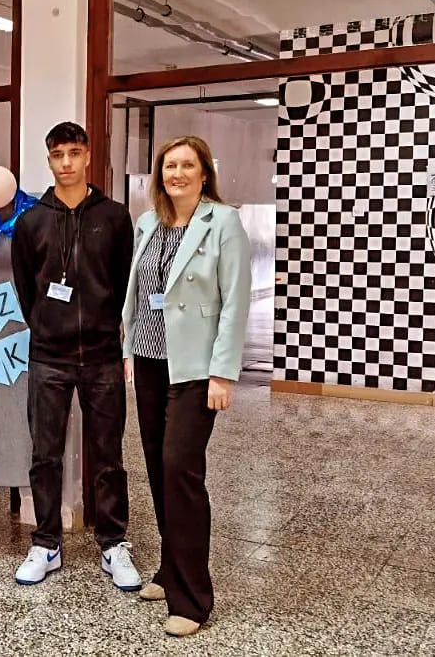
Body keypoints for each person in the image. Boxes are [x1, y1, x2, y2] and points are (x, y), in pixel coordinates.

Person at [122, 135, 252, 637]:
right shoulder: (148, 222)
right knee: (158, 468)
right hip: (150, 360)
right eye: (168, 165)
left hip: (196, 368)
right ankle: (168, 569)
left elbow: (235, 300)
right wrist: (127, 350)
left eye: (186, 165)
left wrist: (223, 372)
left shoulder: (224, 222)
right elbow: (139, 293)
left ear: (203, 173)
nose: (176, 173)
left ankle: (193, 598)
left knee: (181, 471)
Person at [10, 121, 138, 590]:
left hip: (102, 354)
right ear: (49, 160)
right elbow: (26, 287)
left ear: (87, 157)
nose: (66, 163)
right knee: (45, 453)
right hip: (48, 356)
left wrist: (107, 328)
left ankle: (113, 543)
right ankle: (46, 542)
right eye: (57, 154)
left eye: (74, 153)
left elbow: (122, 282)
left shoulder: (115, 217)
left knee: (108, 454)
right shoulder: (31, 222)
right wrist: (48, 326)